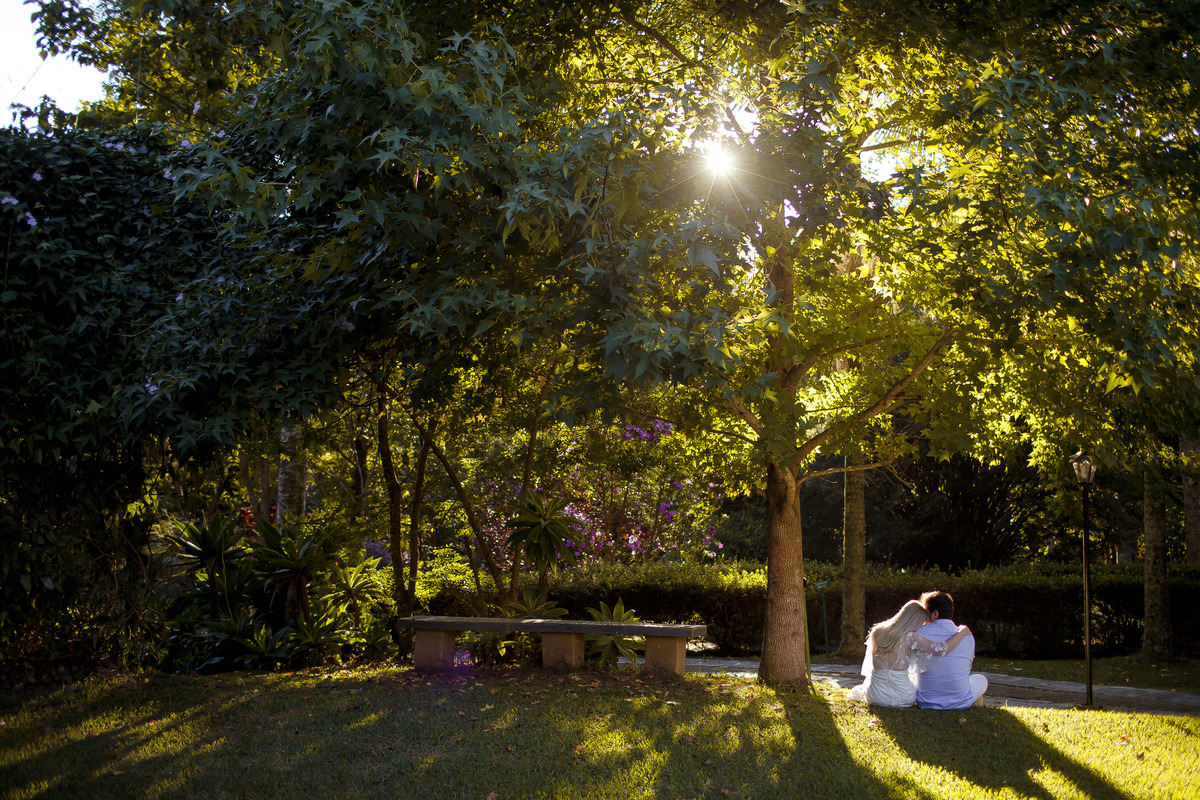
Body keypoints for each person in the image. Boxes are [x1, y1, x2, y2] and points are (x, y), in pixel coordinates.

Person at [847, 599, 971, 707]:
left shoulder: (877, 632)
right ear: (915, 621)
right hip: (903, 698)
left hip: (876, 695)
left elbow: (870, 664)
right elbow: (942, 648)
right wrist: (962, 632)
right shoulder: (910, 637)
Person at [914, 590, 989, 709]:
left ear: (935, 614)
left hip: (925, 701)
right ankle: (974, 700)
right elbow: (966, 668)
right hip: (960, 701)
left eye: (925, 613)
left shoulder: (919, 633)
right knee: (981, 679)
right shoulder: (967, 636)